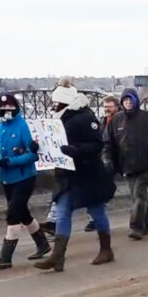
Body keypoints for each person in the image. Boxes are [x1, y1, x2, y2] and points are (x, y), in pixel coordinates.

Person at [35, 88, 117, 272]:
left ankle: (106, 249)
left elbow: (97, 144)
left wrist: (77, 150)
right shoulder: (60, 119)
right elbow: (51, 144)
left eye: (56, 102)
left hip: (88, 175)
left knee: (96, 211)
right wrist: (37, 147)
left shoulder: (85, 117)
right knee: (63, 211)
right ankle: (58, 256)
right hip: (67, 176)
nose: (53, 106)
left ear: (65, 102)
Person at [0, 95, 50, 269]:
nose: (7, 112)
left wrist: (9, 162)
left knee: (13, 214)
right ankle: (42, 244)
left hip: (24, 177)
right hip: (7, 179)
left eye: (10, 108)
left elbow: (32, 154)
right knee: (22, 213)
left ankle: (5, 257)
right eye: (3, 109)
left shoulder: (23, 126)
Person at [103, 87, 148, 240]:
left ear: (136, 101)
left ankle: (136, 227)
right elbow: (107, 142)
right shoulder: (116, 120)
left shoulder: (147, 117)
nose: (128, 103)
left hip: (145, 163)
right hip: (126, 165)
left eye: (130, 100)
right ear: (122, 102)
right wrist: (107, 158)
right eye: (125, 100)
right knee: (138, 196)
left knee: (138, 195)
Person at [82, 95, 120, 232]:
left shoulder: (120, 119)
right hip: (105, 157)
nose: (107, 110)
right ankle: (95, 218)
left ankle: (97, 218)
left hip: (118, 157)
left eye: (109, 107)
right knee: (99, 188)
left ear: (116, 107)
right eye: (105, 107)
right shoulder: (103, 121)